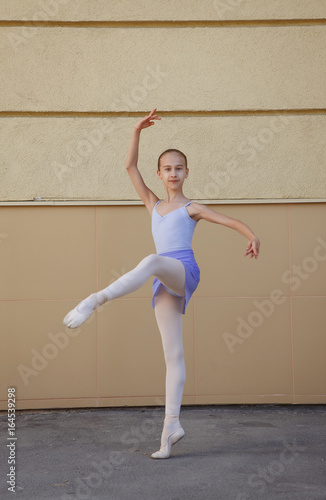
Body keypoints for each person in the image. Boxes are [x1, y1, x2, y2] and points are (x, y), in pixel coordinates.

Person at [63, 108, 260, 459]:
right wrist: (136, 130)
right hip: (161, 285)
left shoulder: (191, 208)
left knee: (152, 261)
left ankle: (96, 300)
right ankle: (171, 428)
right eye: (167, 168)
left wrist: (252, 235)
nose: (173, 173)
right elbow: (129, 167)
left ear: (186, 173)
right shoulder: (152, 204)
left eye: (179, 168)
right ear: (160, 173)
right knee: (173, 355)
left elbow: (228, 220)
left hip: (183, 270)